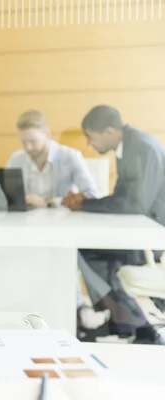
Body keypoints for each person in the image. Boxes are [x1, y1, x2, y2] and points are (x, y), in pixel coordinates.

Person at [63, 105, 165, 344]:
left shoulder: (142, 149)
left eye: (91, 136)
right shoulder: (128, 146)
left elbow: (135, 205)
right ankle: (126, 321)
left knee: (88, 253)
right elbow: (123, 198)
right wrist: (86, 202)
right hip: (141, 233)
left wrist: (85, 205)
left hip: (152, 240)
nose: (89, 143)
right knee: (85, 251)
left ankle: (132, 323)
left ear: (109, 131)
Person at [6, 110, 99, 208]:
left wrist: (49, 202)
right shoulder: (16, 159)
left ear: (47, 133)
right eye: (23, 142)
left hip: (63, 219)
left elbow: (92, 195)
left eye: (33, 141)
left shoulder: (70, 156)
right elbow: (6, 196)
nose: (28, 147)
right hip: (24, 221)